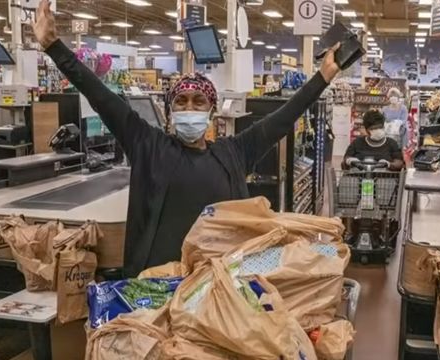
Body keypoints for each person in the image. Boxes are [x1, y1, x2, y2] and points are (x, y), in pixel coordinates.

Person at [32, 0, 342, 277]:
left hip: (220, 284)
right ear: (169, 111)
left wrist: (322, 78)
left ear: (211, 111)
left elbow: (282, 119)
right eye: (181, 102)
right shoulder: (149, 146)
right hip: (160, 285)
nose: (189, 108)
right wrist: (53, 46)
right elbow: (101, 97)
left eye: (198, 102)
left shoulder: (234, 152)